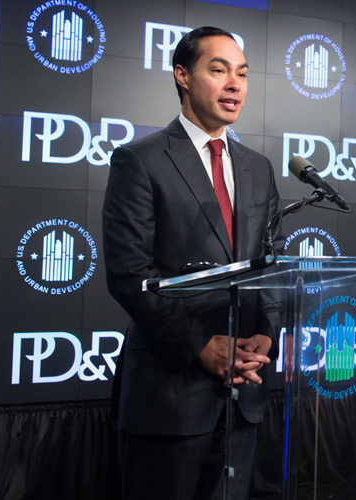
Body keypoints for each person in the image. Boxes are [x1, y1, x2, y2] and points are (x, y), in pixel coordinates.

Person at [102, 27, 281, 499]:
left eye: (242, 73)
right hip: (170, 394)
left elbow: (270, 266)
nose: (234, 84)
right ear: (183, 75)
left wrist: (267, 334)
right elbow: (128, 276)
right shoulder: (140, 160)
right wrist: (201, 345)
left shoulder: (258, 167)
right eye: (218, 70)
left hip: (245, 393)